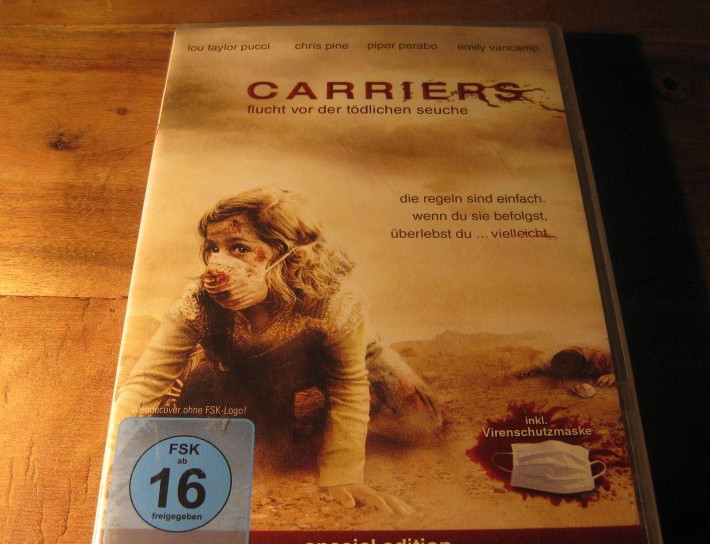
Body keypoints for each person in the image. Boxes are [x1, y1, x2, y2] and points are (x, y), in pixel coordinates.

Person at [116, 187, 442, 513]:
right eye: (213, 248)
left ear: (289, 254)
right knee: (261, 453)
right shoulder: (199, 302)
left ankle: (317, 412)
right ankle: (276, 409)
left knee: (418, 424)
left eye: (240, 247)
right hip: (256, 369)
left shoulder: (334, 301)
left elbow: (347, 384)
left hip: (337, 361)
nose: (217, 264)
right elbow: (148, 379)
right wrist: (114, 445)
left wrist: (343, 473)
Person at [515, 346, 616, 386]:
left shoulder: (605, 354)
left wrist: (614, 376)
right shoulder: (559, 355)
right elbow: (545, 360)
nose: (598, 367)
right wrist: (534, 367)